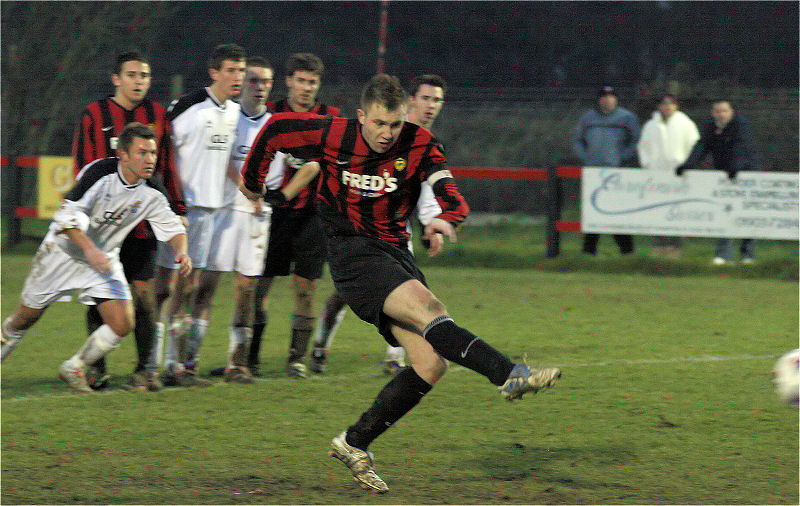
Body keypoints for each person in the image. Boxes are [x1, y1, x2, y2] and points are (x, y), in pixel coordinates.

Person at [241, 74, 561, 493]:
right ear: (361, 116)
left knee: (430, 364)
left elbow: (450, 193)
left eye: (393, 125)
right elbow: (276, 129)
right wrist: (253, 181)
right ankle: (510, 376)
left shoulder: (420, 143)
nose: (385, 134)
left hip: (395, 253)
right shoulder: (334, 133)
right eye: (377, 124)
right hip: (351, 252)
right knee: (432, 311)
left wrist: (446, 219)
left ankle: (354, 443)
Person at [1, 123, 191, 392]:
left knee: (122, 323)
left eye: (152, 153)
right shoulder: (100, 172)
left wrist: (182, 251)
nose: (150, 159)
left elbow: (172, 227)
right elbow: (66, 217)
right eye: (142, 153)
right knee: (25, 318)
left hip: (102, 258)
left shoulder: (153, 191)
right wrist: (90, 250)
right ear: (123, 154)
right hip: (63, 252)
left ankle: (74, 367)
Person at [309, 74, 447, 376]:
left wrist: (432, 221)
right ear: (410, 101)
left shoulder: (424, 144)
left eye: (436, 100)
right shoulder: (379, 134)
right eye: (425, 98)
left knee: (413, 295)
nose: (430, 106)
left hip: (395, 233)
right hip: (358, 233)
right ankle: (319, 346)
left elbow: (425, 189)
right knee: (345, 295)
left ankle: (394, 357)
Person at [71, 51, 186, 392]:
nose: (139, 81)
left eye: (144, 75)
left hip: (140, 223)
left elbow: (168, 166)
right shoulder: (94, 115)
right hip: (102, 228)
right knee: (98, 297)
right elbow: (83, 168)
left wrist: (177, 207)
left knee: (144, 295)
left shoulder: (158, 116)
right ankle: (96, 370)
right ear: (116, 79)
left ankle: (144, 369)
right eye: (132, 75)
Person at [154, 43, 245, 387]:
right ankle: (160, 363)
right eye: (231, 70)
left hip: (210, 212)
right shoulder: (188, 107)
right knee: (168, 286)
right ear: (215, 73)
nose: (237, 77)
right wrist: (169, 199)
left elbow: (228, 163)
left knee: (189, 287)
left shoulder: (234, 112)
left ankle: (176, 365)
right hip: (181, 209)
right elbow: (161, 150)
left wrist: (247, 188)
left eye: (241, 70)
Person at [248, 52, 342, 379]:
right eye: (300, 80)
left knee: (306, 288)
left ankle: (295, 360)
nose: (306, 88)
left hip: (312, 216)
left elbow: (333, 164)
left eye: (312, 82)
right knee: (258, 287)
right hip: (270, 216)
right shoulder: (269, 114)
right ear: (288, 81)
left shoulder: (330, 118)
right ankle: (250, 357)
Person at [201, 57, 277, 384]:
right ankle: (188, 361)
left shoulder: (277, 124)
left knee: (246, 290)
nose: (259, 87)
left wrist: (279, 195)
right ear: (243, 81)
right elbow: (218, 159)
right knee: (205, 286)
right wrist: (247, 187)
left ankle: (238, 363)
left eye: (265, 82)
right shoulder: (228, 118)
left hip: (257, 220)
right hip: (222, 212)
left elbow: (308, 164)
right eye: (254, 80)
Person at [676, 100, 762, 264]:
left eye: (724, 111)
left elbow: (742, 147)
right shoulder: (710, 126)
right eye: (717, 111)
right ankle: (723, 255)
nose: (720, 115)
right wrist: (688, 165)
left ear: (731, 112)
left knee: (747, 215)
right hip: (725, 177)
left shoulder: (740, 124)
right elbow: (702, 146)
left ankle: (747, 255)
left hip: (747, 174)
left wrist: (735, 167)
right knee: (725, 213)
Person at [574, 86, 640, 256]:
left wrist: (622, 158)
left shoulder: (627, 118)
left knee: (616, 212)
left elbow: (636, 141)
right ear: (599, 99)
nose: (607, 99)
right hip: (594, 172)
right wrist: (586, 158)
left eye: (610, 96)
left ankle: (627, 251)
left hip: (617, 173)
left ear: (616, 99)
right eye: (604, 96)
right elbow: (578, 141)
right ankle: (588, 251)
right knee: (593, 210)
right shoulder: (588, 118)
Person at [637, 93, 700, 258]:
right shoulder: (651, 125)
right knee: (657, 213)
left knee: (676, 213)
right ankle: (659, 249)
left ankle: (675, 250)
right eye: (664, 104)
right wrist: (648, 165)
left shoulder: (686, 124)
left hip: (678, 177)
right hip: (656, 177)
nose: (667, 107)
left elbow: (694, 147)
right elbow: (643, 147)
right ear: (660, 106)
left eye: (670, 104)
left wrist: (686, 166)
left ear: (676, 106)